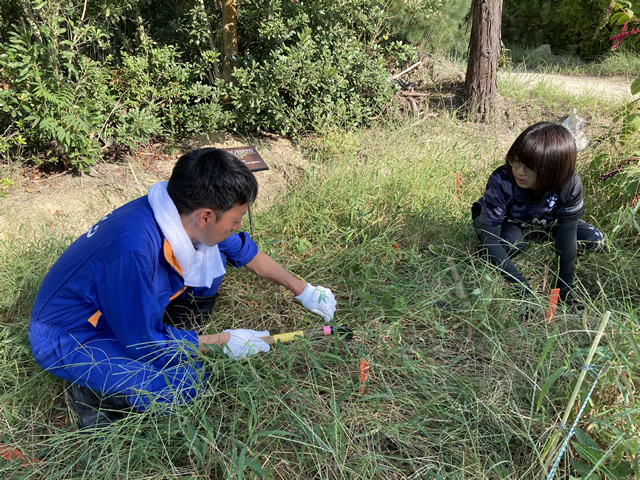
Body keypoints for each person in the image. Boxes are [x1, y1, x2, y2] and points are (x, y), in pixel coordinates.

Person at [29, 148, 336, 428]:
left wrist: (303, 289)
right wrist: (224, 341)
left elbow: (245, 253)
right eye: (236, 220)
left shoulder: (177, 210)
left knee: (212, 260)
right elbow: (142, 343)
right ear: (206, 216)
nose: (238, 226)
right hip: (71, 335)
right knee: (185, 383)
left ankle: (178, 336)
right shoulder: (134, 250)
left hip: (114, 310)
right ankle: (93, 393)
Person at [471, 122, 605, 307]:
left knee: (595, 240)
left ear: (553, 169)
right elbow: (490, 238)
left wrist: (563, 292)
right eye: (516, 161)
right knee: (510, 244)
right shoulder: (502, 179)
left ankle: (535, 235)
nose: (519, 171)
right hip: (506, 222)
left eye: (529, 167)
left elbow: (567, 237)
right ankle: (487, 253)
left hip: (546, 222)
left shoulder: (570, 184)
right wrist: (523, 289)